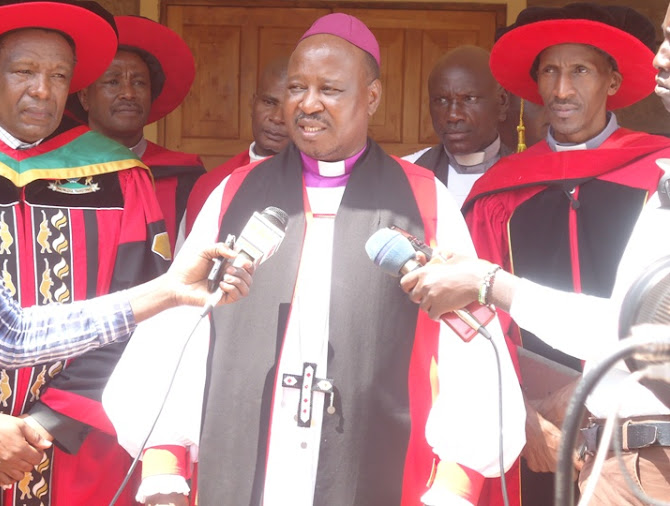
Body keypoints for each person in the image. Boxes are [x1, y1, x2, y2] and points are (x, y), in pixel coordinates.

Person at [104, 13, 525, 506]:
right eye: (297, 87)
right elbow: (178, 326)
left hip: (380, 471)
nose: (307, 104)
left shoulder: (424, 202)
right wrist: (164, 468)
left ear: (371, 97)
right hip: (250, 466)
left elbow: (469, 345)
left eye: (330, 89)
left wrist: (456, 485)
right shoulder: (235, 194)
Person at [0, 1, 176, 505]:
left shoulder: (118, 177)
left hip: (76, 442)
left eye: (59, 75)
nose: (43, 90)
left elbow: (141, 310)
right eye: (25, 71)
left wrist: (49, 422)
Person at [458, 2, 670, 503]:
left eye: (579, 71)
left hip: (637, 431)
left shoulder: (659, 174)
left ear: (612, 81)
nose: (561, 90)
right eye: (550, 71)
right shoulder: (497, 195)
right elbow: (476, 320)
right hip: (534, 426)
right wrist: (521, 413)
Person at [76, 16, 205, 252]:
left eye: (139, 83)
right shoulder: (57, 172)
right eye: (113, 82)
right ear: (85, 97)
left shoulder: (184, 175)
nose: (128, 93)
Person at [182, 56, 290, 235]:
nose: (277, 118)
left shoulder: (319, 184)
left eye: (289, 109)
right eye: (269, 102)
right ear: (252, 103)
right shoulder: (211, 185)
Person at [402, 46, 510, 207]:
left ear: (501, 102)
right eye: (441, 100)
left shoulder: (528, 176)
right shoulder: (406, 174)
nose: (453, 116)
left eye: (469, 99)